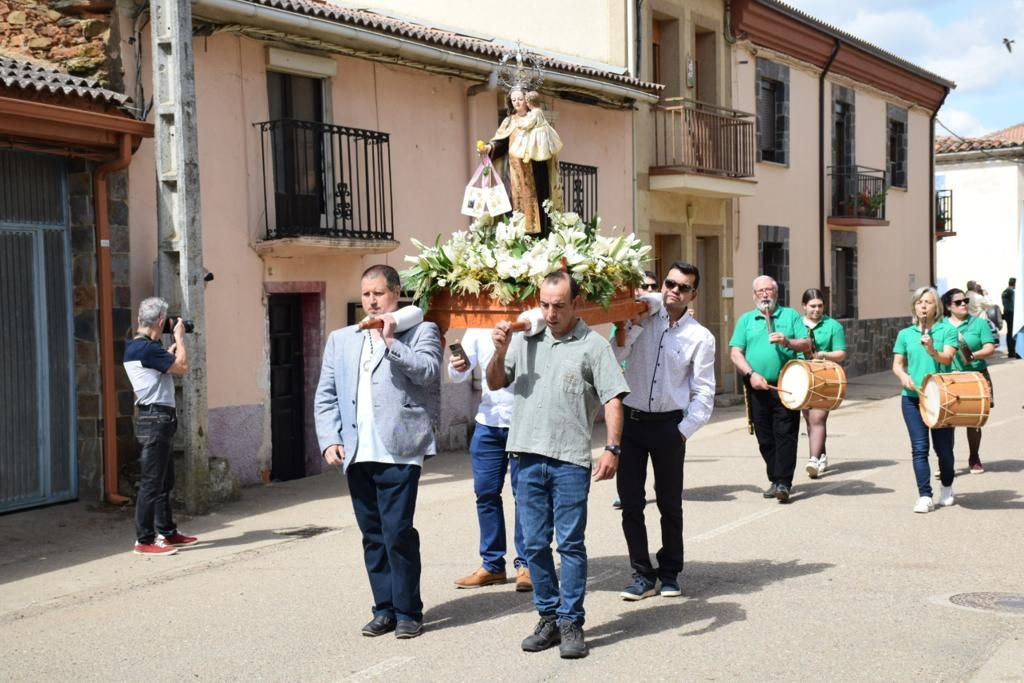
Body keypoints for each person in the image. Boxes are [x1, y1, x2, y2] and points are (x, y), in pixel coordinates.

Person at [487, 270, 629, 659]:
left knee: (569, 544)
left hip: (570, 461)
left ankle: (571, 622)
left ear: (576, 303)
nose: (551, 313)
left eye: (560, 306)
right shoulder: (526, 338)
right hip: (526, 456)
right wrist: (500, 349)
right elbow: (497, 381)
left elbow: (614, 397)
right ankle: (547, 617)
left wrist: (612, 448)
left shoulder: (593, 345)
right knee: (533, 545)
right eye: (546, 304)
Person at [314, 264, 441, 640]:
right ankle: (383, 609)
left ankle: (408, 611)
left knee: (397, 531)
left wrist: (391, 341)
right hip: (357, 452)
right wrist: (329, 439)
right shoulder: (342, 339)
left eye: (379, 294)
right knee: (372, 534)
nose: (371, 301)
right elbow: (326, 395)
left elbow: (429, 371)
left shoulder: (421, 330)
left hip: (400, 450)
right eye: (366, 294)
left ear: (395, 293)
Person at [612, 262, 715, 601]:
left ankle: (670, 572)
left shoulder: (700, 337)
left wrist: (683, 431)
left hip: (669, 426)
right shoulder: (639, 316)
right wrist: (635, 325)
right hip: (632, 422)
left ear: (693, 295)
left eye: (683, 287)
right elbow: (616, 355)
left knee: (670, 504)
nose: (674, 290)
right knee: (631, 503)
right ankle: (642, 574)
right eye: (670, 283)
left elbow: (704, 393)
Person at [448, 329, 531, 592]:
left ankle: (527, 564)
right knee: (485, 494)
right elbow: (458, 373)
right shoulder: (477, 327)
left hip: (525, 422)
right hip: (488, 423)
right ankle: (493, 565)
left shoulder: (532, 318)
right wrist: (457, 366)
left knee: (526, 496)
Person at [123, 297, 196, 556]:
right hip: (156, 419)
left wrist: (174, 345)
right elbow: (183, 367)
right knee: (152, 482)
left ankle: (167, 532)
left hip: (155, 418)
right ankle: (144, 540)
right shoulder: (146, 349)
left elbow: (167, 364)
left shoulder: (139, 347)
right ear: (161, 321)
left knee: (164, 480)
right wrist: (181, 338)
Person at [729, 276, 811, 503]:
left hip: (787, 384)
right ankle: (775, 478)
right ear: (754, 295)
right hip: (757, 385)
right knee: (765, 436)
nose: (765, 294)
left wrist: (787, 341)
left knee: (785, 433)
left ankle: (784, 482)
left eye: (769, 290)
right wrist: (751, 374)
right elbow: (736, 353)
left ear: (776, 293)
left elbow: (806, 344)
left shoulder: (790, 315)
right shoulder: (746, 320)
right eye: (760, 291)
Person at [891, 287, 957, 513]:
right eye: (920, 302)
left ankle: (947, 485)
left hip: (941, 397)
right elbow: (897, 364)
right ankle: (924, 495)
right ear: (914, 306)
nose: (924, 306)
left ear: (936, 307)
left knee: (944, 450)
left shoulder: (946, 330)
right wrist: (903, 376)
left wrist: (932, 350)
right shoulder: (906, 334)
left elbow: (947, 359)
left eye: (928, 302)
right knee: (919, 448)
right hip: (912, 398)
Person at [482, 87, 563, 236]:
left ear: (527, 101)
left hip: (535, 169)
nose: (517, 103)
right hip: (513, 173)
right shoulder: (509, 122)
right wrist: (489, 147)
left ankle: (538, 238)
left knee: (538, 203)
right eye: (514, 100)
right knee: (513, 205)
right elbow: (501, 142)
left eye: (520, 99)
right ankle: (515, 237)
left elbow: (546, 142)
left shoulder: (536, 119)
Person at [611, 270, 659, 510]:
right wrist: (635, 327)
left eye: (654, 287)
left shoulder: (664, 318)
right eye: (645, 287)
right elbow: (615, 355)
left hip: (660, 407)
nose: (650, 291)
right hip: (628, 397)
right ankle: (626, 492)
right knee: (626, 453)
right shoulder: (625, 321)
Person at [942, 288, 996, 474]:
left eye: (965, 300)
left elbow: (990, 347)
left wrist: (975, 355)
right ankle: (946, 462)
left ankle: (974, 457)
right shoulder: (941, 325)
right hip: (949, 378)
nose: (964, 304)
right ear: (949, 306)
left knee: (973, 419)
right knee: (947, 419)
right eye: (958, 302)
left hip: (975, 375)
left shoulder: (979, 323)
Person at [799, 288, 848, 479]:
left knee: (818, 418)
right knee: (809, 420)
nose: (816, 310)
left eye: (820, 306)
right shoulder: (797, 324)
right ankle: (821, 452)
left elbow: (841, 353)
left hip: (825, 376)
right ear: (804, 306)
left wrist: (823, 354)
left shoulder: (833, 326)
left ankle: (813, 459)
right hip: (802, 377)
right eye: (812, 306)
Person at [510, 90, 564, 164]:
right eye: (513, 100)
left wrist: (521, 125)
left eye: (525, 101)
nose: (526, 104)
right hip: (542, 131)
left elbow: (530, 123)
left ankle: (528, 155)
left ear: (531, 102)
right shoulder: (538, 111)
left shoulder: (535, 112)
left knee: (529, 143)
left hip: (538, 132)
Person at [1001, 277, 1018, 359]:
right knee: (1015, 333)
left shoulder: (1004, 291)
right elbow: (1015, 304)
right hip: (1012, 314)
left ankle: (1011, 351)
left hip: (1007, 313)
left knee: (1009, 333)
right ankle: (1015, 351)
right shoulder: (1012, 292)